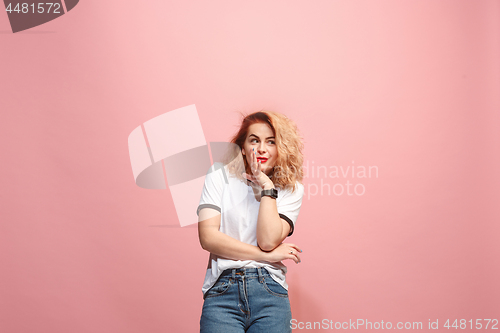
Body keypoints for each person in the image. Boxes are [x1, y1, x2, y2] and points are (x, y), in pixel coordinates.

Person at [197, 110, 305, 333]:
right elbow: (208, 238)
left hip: (270, 294)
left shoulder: (291, 190)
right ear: (243, 148)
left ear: (281, 148)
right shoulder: (219, 176)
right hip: (222, 293)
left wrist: (267, 188)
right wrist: (267, 256)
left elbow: (267, 241)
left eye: (271, 142)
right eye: (254, 140)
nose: (262, 148)